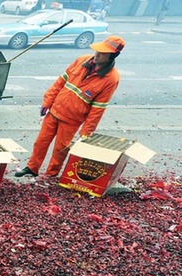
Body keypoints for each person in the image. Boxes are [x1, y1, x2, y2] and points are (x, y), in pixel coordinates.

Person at [15, 36, 125, 178]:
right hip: (54, 111)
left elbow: (98, 109)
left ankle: (50, 175)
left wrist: (86, 133)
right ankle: (32, 168)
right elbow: (59, 83)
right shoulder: (81, 61)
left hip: (72, 120)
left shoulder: (111, 79)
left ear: (112, 56)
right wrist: (47, 101)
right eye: (97, 51)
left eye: (102, 53)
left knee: (60, 150)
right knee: (40, 142)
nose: (97, 54)